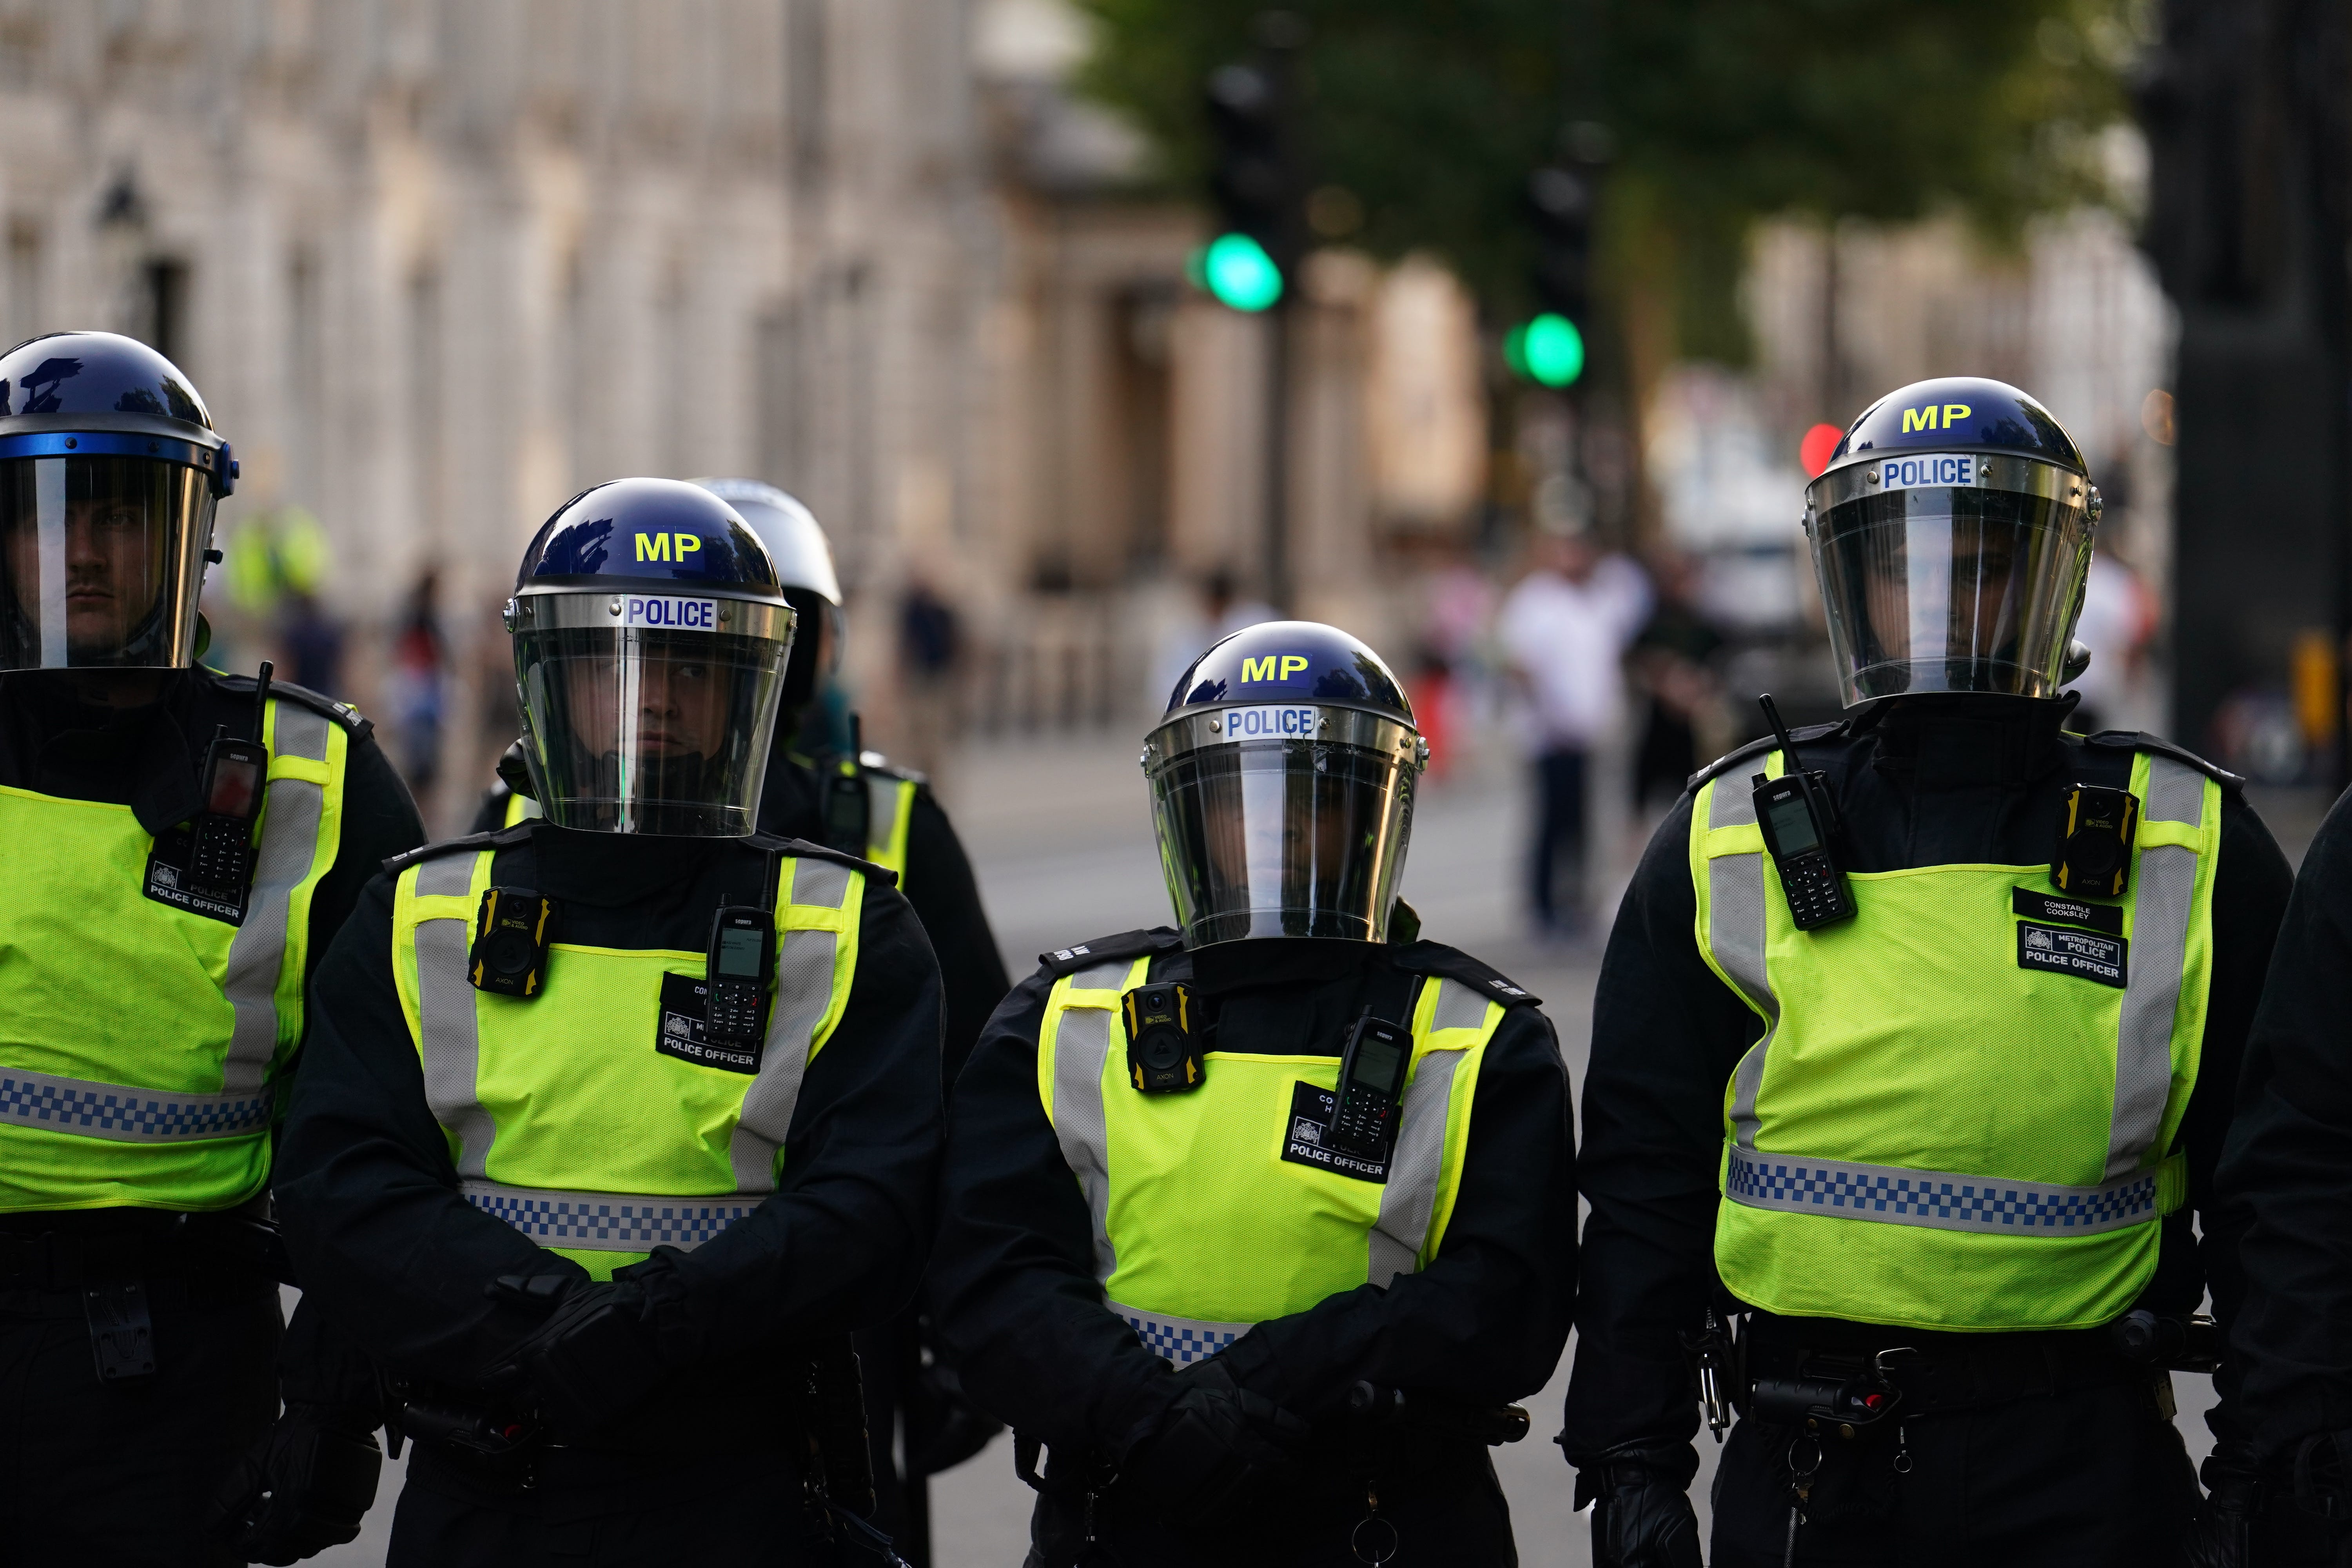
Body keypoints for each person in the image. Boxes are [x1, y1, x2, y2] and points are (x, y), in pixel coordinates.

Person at [1561, 376, 2293, 1567]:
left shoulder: (2187, 840)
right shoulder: (1724, 837)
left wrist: (2269, 1461)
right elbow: (1643, 1186)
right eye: (1903, 563)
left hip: (2081, 1462)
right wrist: (1626, 1463)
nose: (1945, 597)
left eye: (1986, 562)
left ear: (2055, 579)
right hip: (1809, 1472)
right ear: (1850, 582)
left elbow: (2277, 1195)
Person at [270, 477, 945, 1565]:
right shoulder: (423, 913)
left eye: (689, 665)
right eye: (610, 667)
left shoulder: (847, 925)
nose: (653, 698)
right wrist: (542, 1320)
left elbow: (873, 1211)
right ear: (544, 679)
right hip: (490, 1480)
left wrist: (663, 1323)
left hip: (736, 1487)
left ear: (752, 688)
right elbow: (342, 1192)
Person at [929, 619, 1577, 1566]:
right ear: (1190, 812)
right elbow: (987, 1281)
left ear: (1373, 813)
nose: (1275, 825)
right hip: (1126, 1509)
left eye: (1312, 793)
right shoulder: (1064, 1018)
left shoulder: (1481, 1037)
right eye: (1240, 796)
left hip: (1382, 1516)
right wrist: (1147, 1417)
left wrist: (1271, 1378)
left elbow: (1505, 1307)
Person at [0, 330, 426, 1565]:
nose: (81, 549)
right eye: (45, 515)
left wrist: (337, 1397)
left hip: (167, 1370)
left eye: (122, 515)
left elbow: (391, 1135)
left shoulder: (311, 778)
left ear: (189, 538)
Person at [1497, 526, 1650, 936]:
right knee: (1553, 819)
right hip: (1549, 734)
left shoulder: (1596, 600)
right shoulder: (1535, 600)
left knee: (1584, 822)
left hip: (1587, 733)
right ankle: (1544, 903)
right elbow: (1519, 664)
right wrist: (1549, 715)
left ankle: (1576, 899)